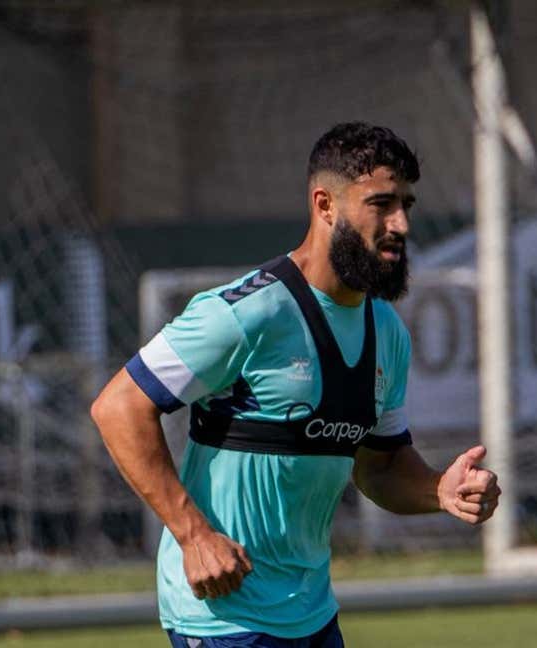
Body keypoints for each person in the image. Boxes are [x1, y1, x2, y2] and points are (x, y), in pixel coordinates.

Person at [91, 122, 501, 648]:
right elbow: (118, 406)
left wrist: (437, 490)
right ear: (325, 204)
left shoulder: (387, 332)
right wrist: (193, 535)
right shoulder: (249, 313)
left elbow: (381, 467)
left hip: (311, 614)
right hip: (225, 617)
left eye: (407, 205)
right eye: (381, 203)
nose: (400, 223)